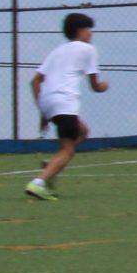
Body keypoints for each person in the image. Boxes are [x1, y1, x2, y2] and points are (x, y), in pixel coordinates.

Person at [25, 11, 107, 201]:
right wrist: (103, 86)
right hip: (65, 101)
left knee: (83, 131)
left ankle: (52, 165)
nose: (91, 33)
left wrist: (44, 112)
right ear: (79, 30)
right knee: (67, 150)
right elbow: (95, 86)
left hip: (48, 101)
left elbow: (35, 81)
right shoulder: (88, 49)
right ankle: (38, 183)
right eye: (88, 29)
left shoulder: (57, 51)